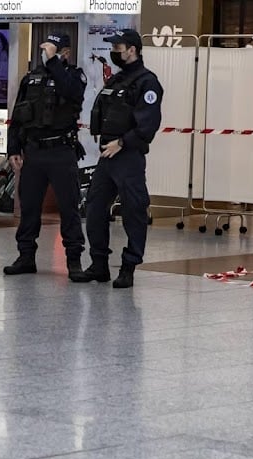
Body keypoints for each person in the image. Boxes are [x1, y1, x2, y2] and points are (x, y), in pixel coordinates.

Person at [79, 29, 163, 289]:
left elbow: (149, 124)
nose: (114, 51)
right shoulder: (115, 81)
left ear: (133, 50)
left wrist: (123, 142)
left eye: (118, 47)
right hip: (107, 155)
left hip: (128, 156)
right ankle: (99, 264)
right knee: (93, 208)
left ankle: (128, 267)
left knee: (134, 211)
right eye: (113, 47)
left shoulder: (147, 82)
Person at [3, 33, 87, 281]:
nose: (45, 53)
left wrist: (54, 63)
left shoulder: (73, 76)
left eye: (52, 49)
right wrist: (13, 148)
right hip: (34, 152)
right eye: (44, 49)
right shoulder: (31, 79)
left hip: (61, 151)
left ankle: (74, 260)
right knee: (29, 207)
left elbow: (71, 93)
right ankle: (25, 256)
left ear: (65, 53)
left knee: (69, 207)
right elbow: (18, 116)